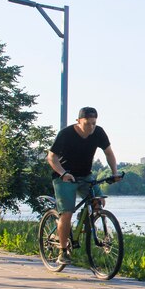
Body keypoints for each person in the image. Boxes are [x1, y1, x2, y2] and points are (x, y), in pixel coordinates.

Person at [47, 107, 121, 265]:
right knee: (66, 213)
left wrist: (115, 172)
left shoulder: (99, 133)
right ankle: (63, 251)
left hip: (85, 175)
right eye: (87, 124)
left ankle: (84, 220)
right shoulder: (66, 134)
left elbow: (109, 153)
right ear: (78, 121)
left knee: (99, 202)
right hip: (64, 177)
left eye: (94, 124)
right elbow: (51, 157)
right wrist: (63, 173)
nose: (91, 128)